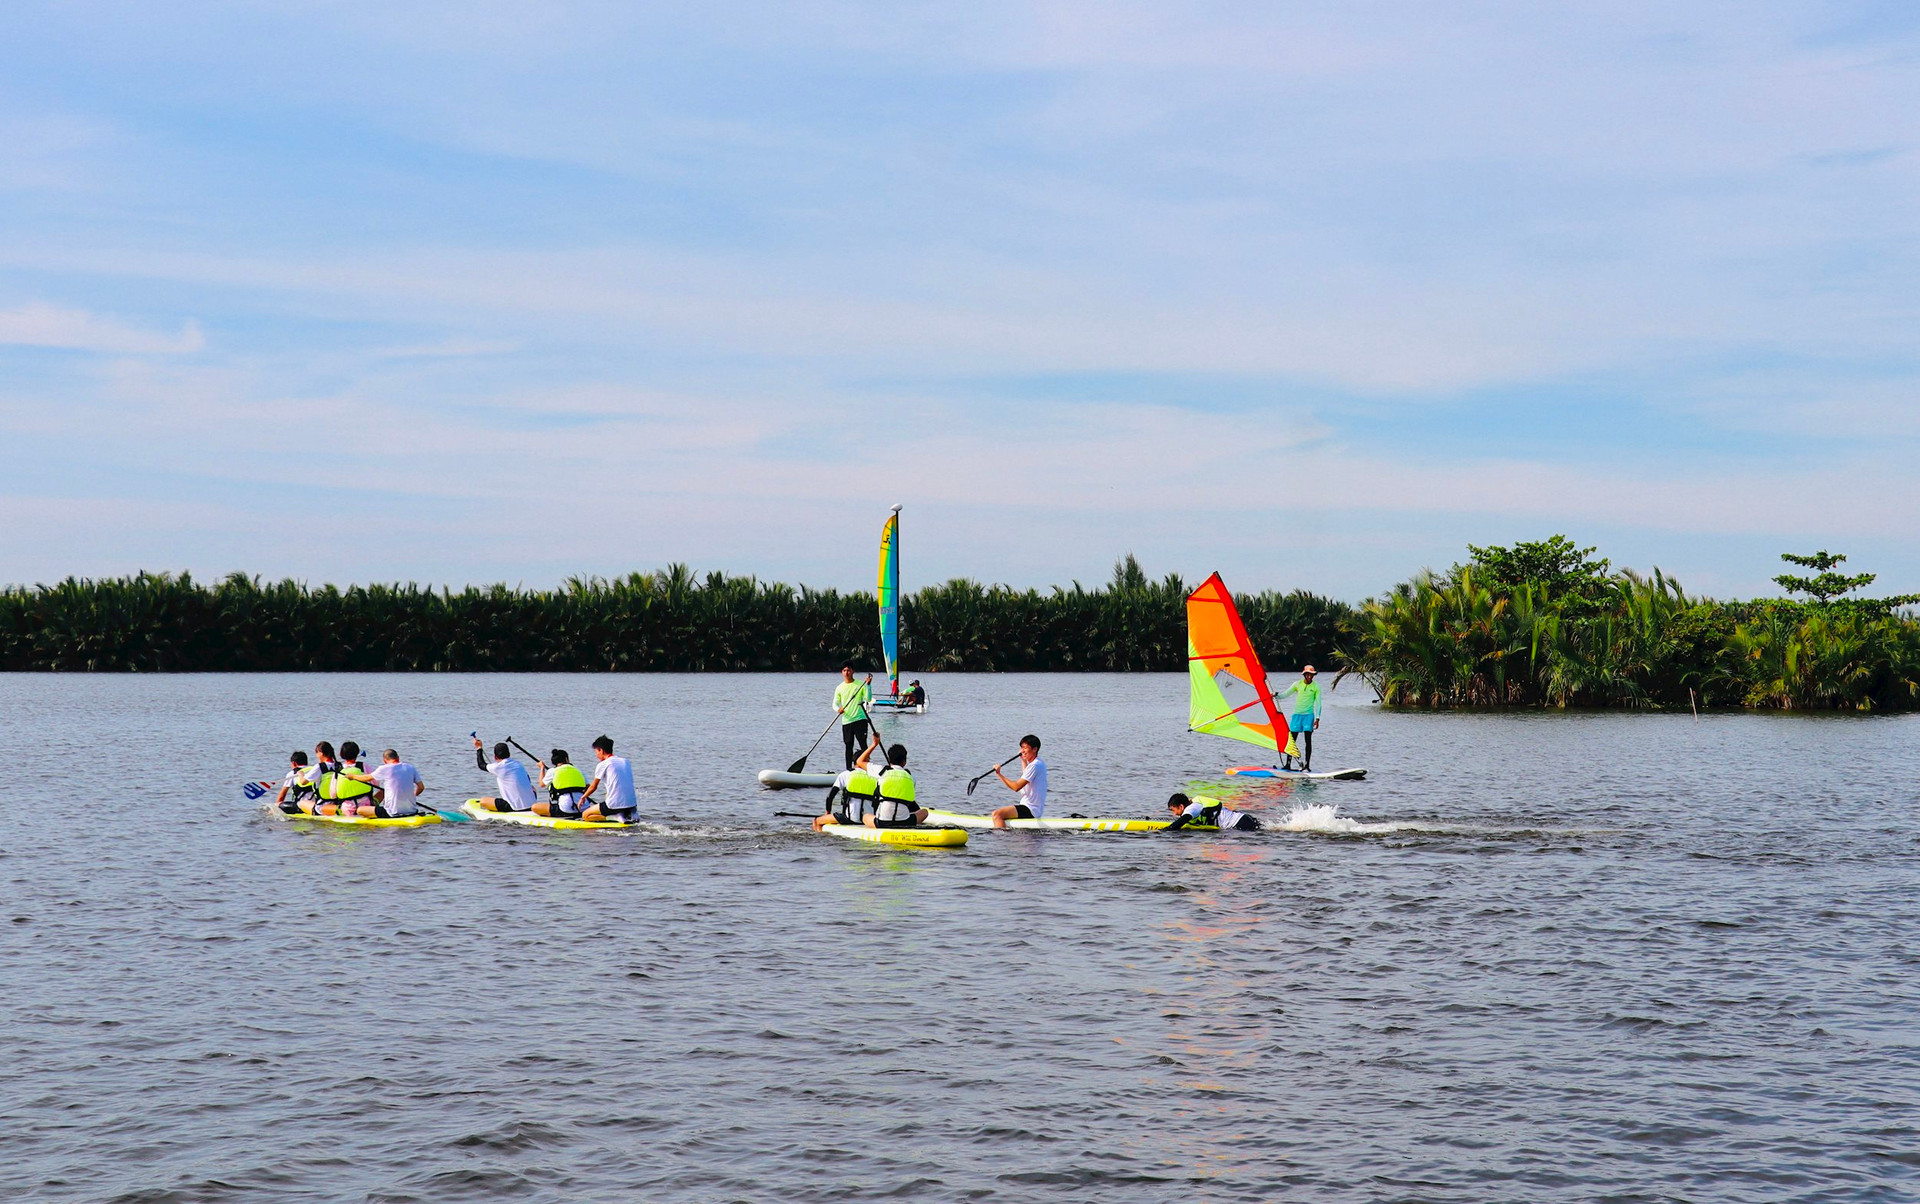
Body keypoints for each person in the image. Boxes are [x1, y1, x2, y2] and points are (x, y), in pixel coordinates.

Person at [343, 749, 427, 819]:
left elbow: (366, 778)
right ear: (398, 757)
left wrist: (352, 776)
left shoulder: (384, 768)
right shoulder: (410, 767)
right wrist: (411, 796)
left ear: (384, 760)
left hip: (392, 813)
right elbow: (421, 787)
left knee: (360, 810)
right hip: (412, 811)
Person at [987, 735, 1047, 828]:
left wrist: (999, 774)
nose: (1022, 751)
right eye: (1021, 747)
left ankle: (1000, 839)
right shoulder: (1037, 763)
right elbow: (1026, 777)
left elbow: (1016, 787)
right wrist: (1023, 761)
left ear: (1035, 749)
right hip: (1031, 808)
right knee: (1003, 814)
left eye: (1025, 748)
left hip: (1030, 809)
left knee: (997, 814)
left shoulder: (1035, 765)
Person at [866, 743, 925, 829]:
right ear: (904, 762)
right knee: (924, 812)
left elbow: (860, 761)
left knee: (866, 816)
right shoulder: (911, 777)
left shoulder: (882, 771)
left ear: (890, 760)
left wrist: (875, 743)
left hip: (883, 822)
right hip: (905, 822)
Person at [1275, 665, 1323, 770]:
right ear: (1304, 674)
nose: (1309, 676)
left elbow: (1318, 704)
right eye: (1308, 674)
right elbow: (1285, 694)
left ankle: (1307, 765)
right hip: (1297, 716)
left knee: (1308, 740)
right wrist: (1275, 695)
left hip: (1308, 716)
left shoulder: (1316, 687)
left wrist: (1318, 718)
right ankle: (1288, 764)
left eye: (1311, 674)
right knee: (1292, 740)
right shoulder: (1297, 684)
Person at [580, 735, 637, 822]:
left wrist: (583, 797)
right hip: (632, 804)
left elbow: (593, 787)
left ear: (601, 750)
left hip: (614, 805)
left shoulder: (603, 764)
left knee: (586, 815)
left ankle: (613, 817)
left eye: (596, 752)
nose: (596, 756)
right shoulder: (625, 761)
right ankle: (629, 814)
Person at [474, 738, 536, 812]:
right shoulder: (518, 764)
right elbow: (528, 779)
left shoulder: (498, 767)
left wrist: (479, 748)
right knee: (532, 787)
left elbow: (481, 765)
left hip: (514, 807)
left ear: (495, 757)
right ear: (509, 754)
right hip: (532, 805)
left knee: (483, 800)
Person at [530, 749, 588, 818]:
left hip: (565, 809)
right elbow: (588, 787)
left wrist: (542, 768)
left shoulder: (552, 771)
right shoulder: (578, 770)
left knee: (534, 807)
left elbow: (541, 784)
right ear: (566, 759)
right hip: (584, 807)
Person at [834, 667, 873, 769]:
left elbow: (868, 698)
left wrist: (868, 685)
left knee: (863, 746)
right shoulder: (839, 688)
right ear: (842, 672)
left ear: (853, 671)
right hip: (847, 721)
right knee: (848, 746)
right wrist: (838, 709)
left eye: (849, 670)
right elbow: (835, 703)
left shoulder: (860, 684)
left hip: (860, 719)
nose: (847, 672)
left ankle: (867, 768)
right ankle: (848, 770)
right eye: (844, 670)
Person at [1163, 792, 1261, 832]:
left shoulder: (1191, 808)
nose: (1174, 814)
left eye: (1174, 810)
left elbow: (1182, 820)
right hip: (1242, 819)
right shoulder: (1194, 805)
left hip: (1240, 823)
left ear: (1181, 806)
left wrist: (1166, 830)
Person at [331, 740, 377, 810]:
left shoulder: (338, 771)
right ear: (356, 754)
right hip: (366, 806)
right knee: (381, 792)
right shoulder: (364, 766)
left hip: (347, 808)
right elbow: (376, 783)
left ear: (342, 755)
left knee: (327, 807)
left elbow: (333, 795)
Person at [269, 750, 319, 815]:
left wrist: (276, 809)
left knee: (274, 807)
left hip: (301, 808)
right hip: (316, 805)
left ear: (294, 763)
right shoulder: (315, 771)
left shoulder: (292, 774)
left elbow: (282, 794)